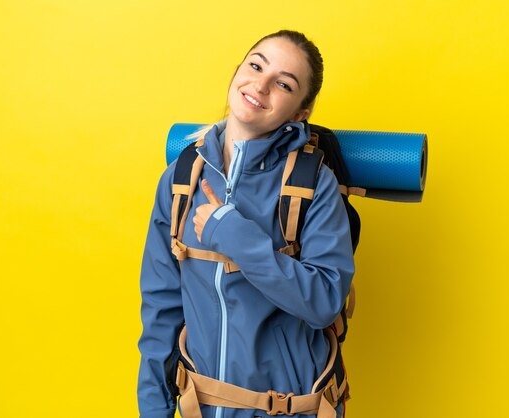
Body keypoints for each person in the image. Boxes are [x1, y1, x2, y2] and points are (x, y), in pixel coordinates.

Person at [137, 30, 355, 418]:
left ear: (299, 113)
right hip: (197, 407)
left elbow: (324, 302)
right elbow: (161, 309)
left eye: (284, 84)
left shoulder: (312, 183)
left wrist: (234, 234)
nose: (261, 84)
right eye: (256, 65)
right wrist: (153, 408)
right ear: (238, 70)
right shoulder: (180, 179)